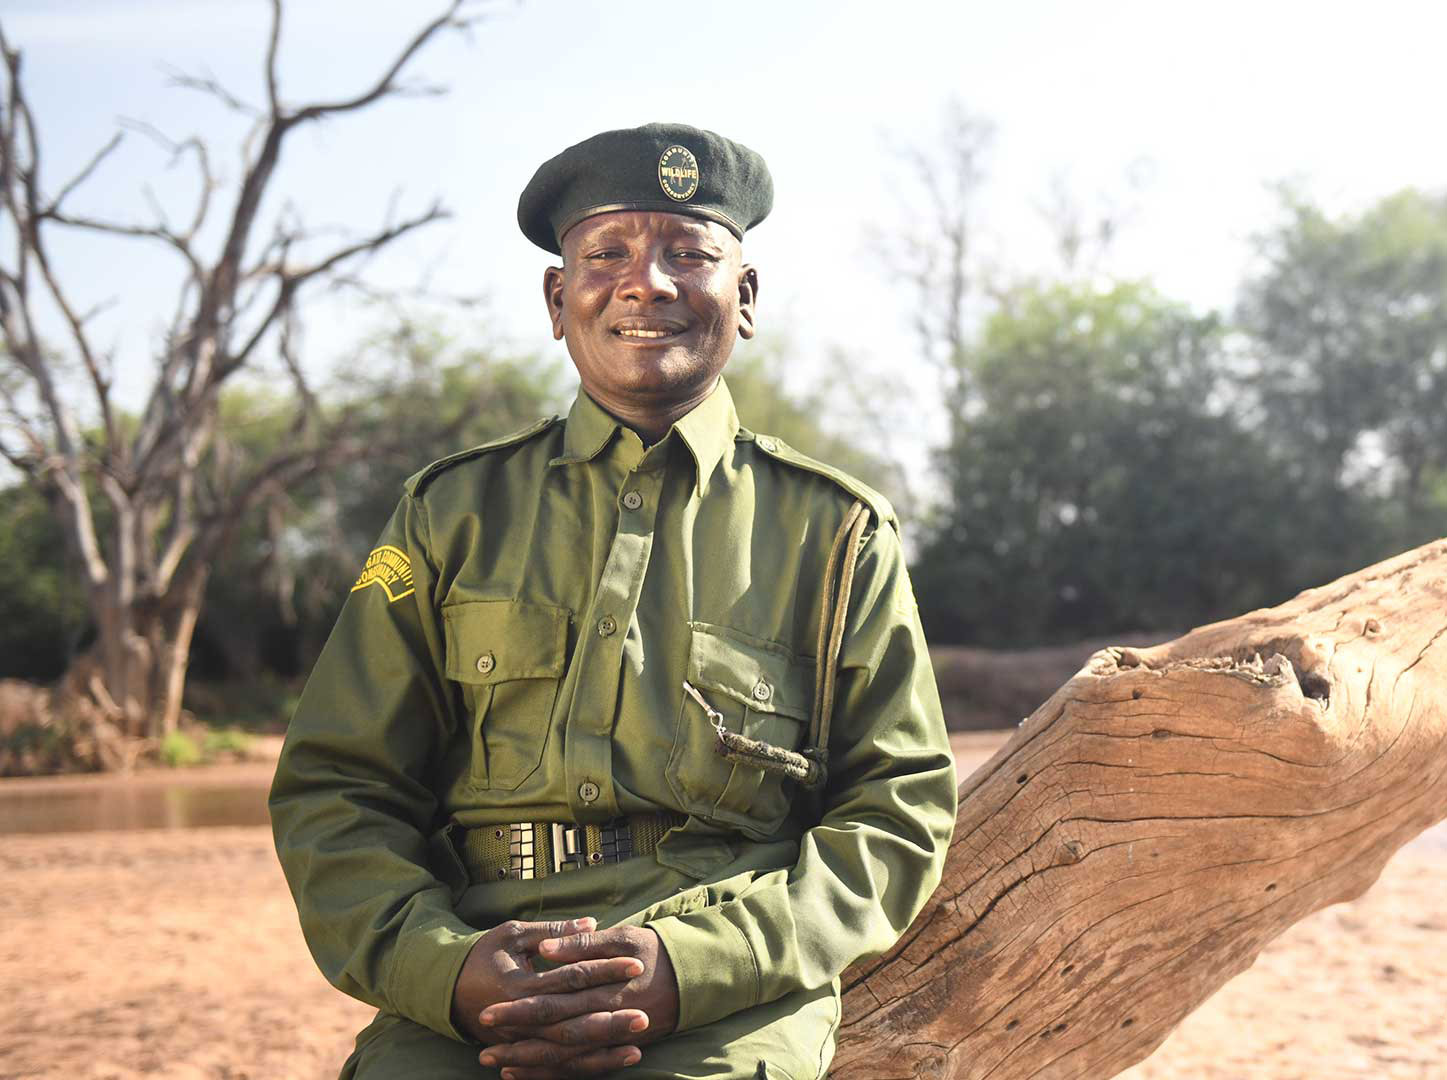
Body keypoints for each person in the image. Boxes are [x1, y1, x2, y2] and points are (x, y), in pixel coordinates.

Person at [269, 122, 957, 1080]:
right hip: (473, 978)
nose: (649, 283)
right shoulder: (448, 515)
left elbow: (897, 810)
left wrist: (697, 966)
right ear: (559, 299)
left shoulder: (837, 532)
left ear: (745, 297)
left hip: (721, 991)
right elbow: (339, 790)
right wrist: (444, 969)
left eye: (690, 253)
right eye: (607, 255)